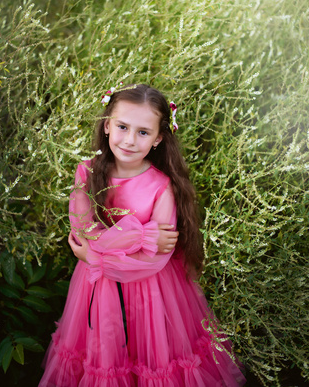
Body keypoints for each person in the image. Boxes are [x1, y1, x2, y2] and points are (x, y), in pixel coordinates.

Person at [39, 83, 246, 387]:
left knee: (152, 356)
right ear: (107, 125)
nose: (130, 140)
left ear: (159, 138)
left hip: (152, 292)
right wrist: (140, 236)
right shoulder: (86, 172)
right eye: (122, 126)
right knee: (104, 353)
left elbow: (152, 262)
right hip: (97, 289)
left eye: (143, 132)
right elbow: (84, 232)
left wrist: (95, 257)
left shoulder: (161, 186)